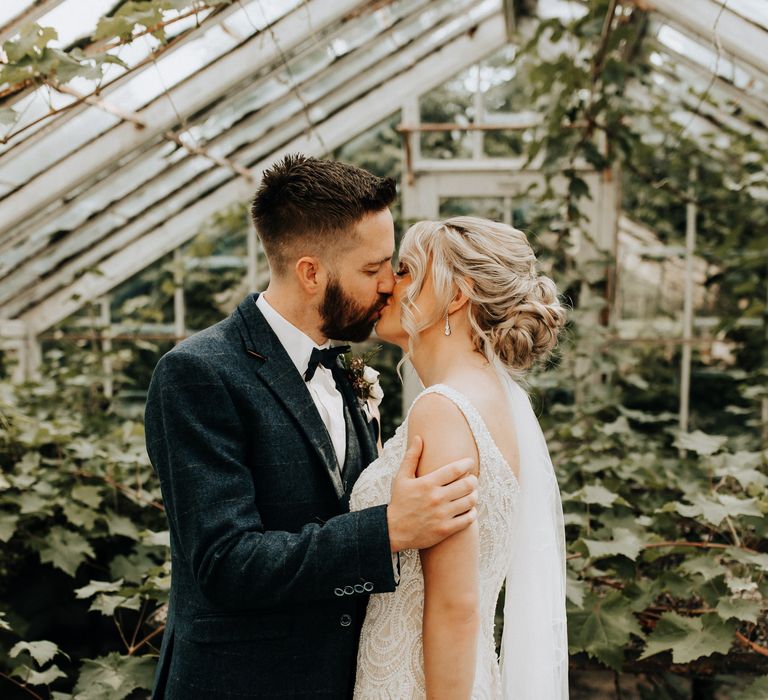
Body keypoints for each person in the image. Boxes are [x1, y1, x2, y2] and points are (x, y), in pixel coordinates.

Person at [143, 155, 479, 699]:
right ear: (311, 272)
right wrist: (388, 529)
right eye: (374, 270)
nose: (391, 286)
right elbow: (227, 564)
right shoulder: (197, 374)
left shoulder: (347, 370)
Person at [351, 216, 570, 699]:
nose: (388, 282)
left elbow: (456, 603)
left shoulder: (445, 409)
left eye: (406, 270)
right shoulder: (490, 398)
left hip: (420, 682)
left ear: (455, 296)